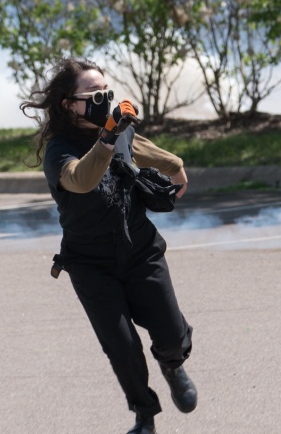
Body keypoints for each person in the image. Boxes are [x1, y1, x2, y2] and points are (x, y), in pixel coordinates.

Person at [21, 58, 197, 434]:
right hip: (90, 262)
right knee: (121, 346)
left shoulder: (117, 129)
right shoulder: (59, 151)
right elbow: (82, 179)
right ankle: (144, 415)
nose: (103, 99)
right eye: (93, 94)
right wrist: (107, 136)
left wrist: (174, 165)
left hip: (139, 248)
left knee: (170, 334)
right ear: (69, 104)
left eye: (107, 92)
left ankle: (172, 363)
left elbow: (137, 146)